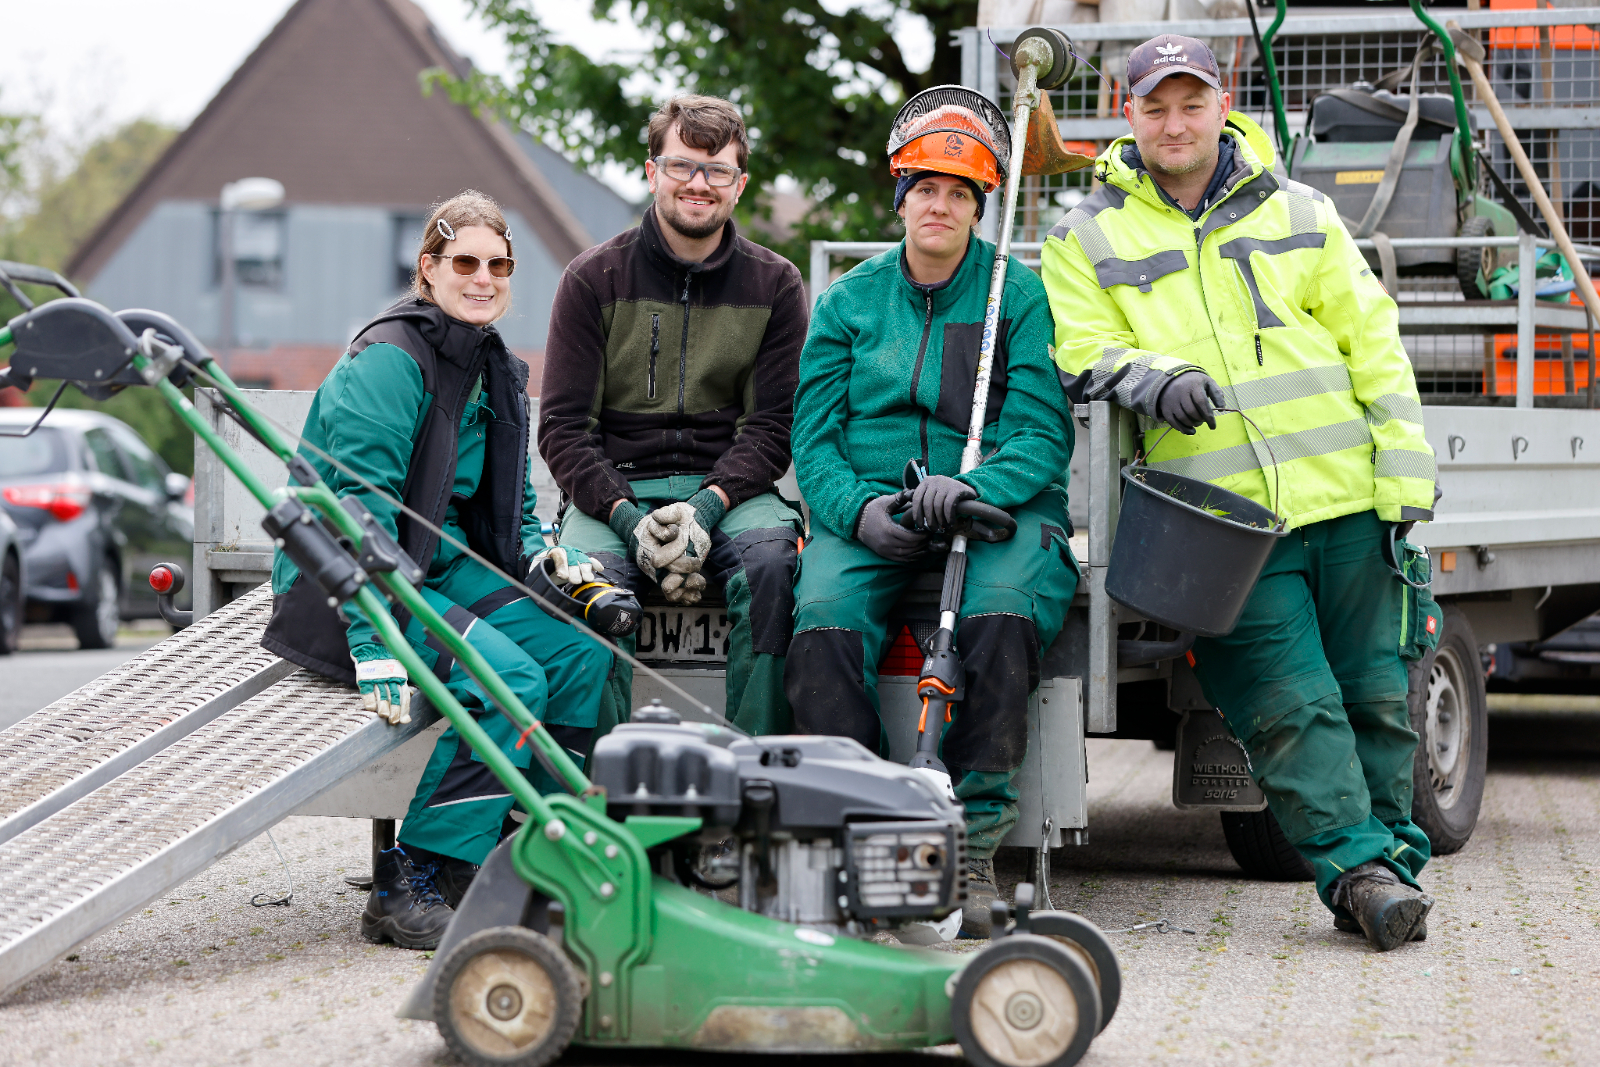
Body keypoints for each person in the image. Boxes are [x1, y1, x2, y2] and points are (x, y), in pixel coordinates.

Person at [1042, 35, 1440, 951]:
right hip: (1218, 521)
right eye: (1155, 107)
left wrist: (1403, 473)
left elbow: (1374, 342)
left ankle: (1392, 868)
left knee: (1376, 699)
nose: (1175, 124)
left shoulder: (1301, 209)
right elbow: (1080, 345)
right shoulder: (1084, 234)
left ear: (1224, 106)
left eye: (1192, 104)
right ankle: (1359, 875)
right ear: (1128, 113)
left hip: (1348, 500)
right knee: (1289, 707)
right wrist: (1150, 376)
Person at [262, 191, 610, 950]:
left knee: (578, 654)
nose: (483, 278)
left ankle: (519, 852)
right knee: (509, 679)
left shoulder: (493, 367)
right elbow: (356, 512)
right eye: (465, 262)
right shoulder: (391, 358)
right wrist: (371, 637)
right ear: (428, 268)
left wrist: (543, 552)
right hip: (348, 580)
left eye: (499, 266)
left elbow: (509, 503)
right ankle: (408, 877)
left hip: (437, 564)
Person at [786, 88, 1078, 939]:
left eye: (958, 192)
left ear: (980, 205)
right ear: (901, 198)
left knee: (1002, 610)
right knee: (824, 614)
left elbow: (1043, 429)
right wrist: (857, 511)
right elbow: (814, 439)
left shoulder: (1015, 296)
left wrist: (977, 488)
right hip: (876, 506)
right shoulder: (848, 302)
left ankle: (975, 844)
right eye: (924, 188)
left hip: (994, 505)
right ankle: (862, 830)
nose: (939, 205)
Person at [540, 95, 808, 737]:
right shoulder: (592, 279)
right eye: (682, 165)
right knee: (588, 590)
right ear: (651, 171)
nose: (698, 183)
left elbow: (773, 427)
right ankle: (595, 786)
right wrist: (628, 520)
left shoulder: (775, 284)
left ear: (740, 183)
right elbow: (564, 429)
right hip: (614, 490)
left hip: (732, 492)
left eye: (718, 170)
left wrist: (707, 510)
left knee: (773, 571)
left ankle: (755, 772)